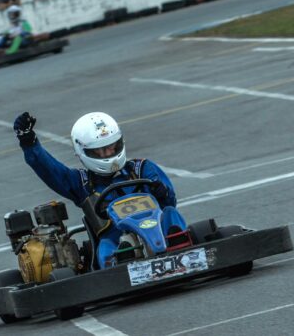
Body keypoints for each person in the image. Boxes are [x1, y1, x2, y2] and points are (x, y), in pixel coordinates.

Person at [12, 111, 183, 269]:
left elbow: (170, 201)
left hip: (157, 231)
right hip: (116, 239)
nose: (109, 152)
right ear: (84, 152)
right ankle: (120, 263)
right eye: (102, 150)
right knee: (107, 244)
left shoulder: (142, 169)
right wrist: (29, 142)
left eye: (113, 146)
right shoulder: (82, 183)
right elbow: (50, 170)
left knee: (169, 212)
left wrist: (163, 192)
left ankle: (180, 243)